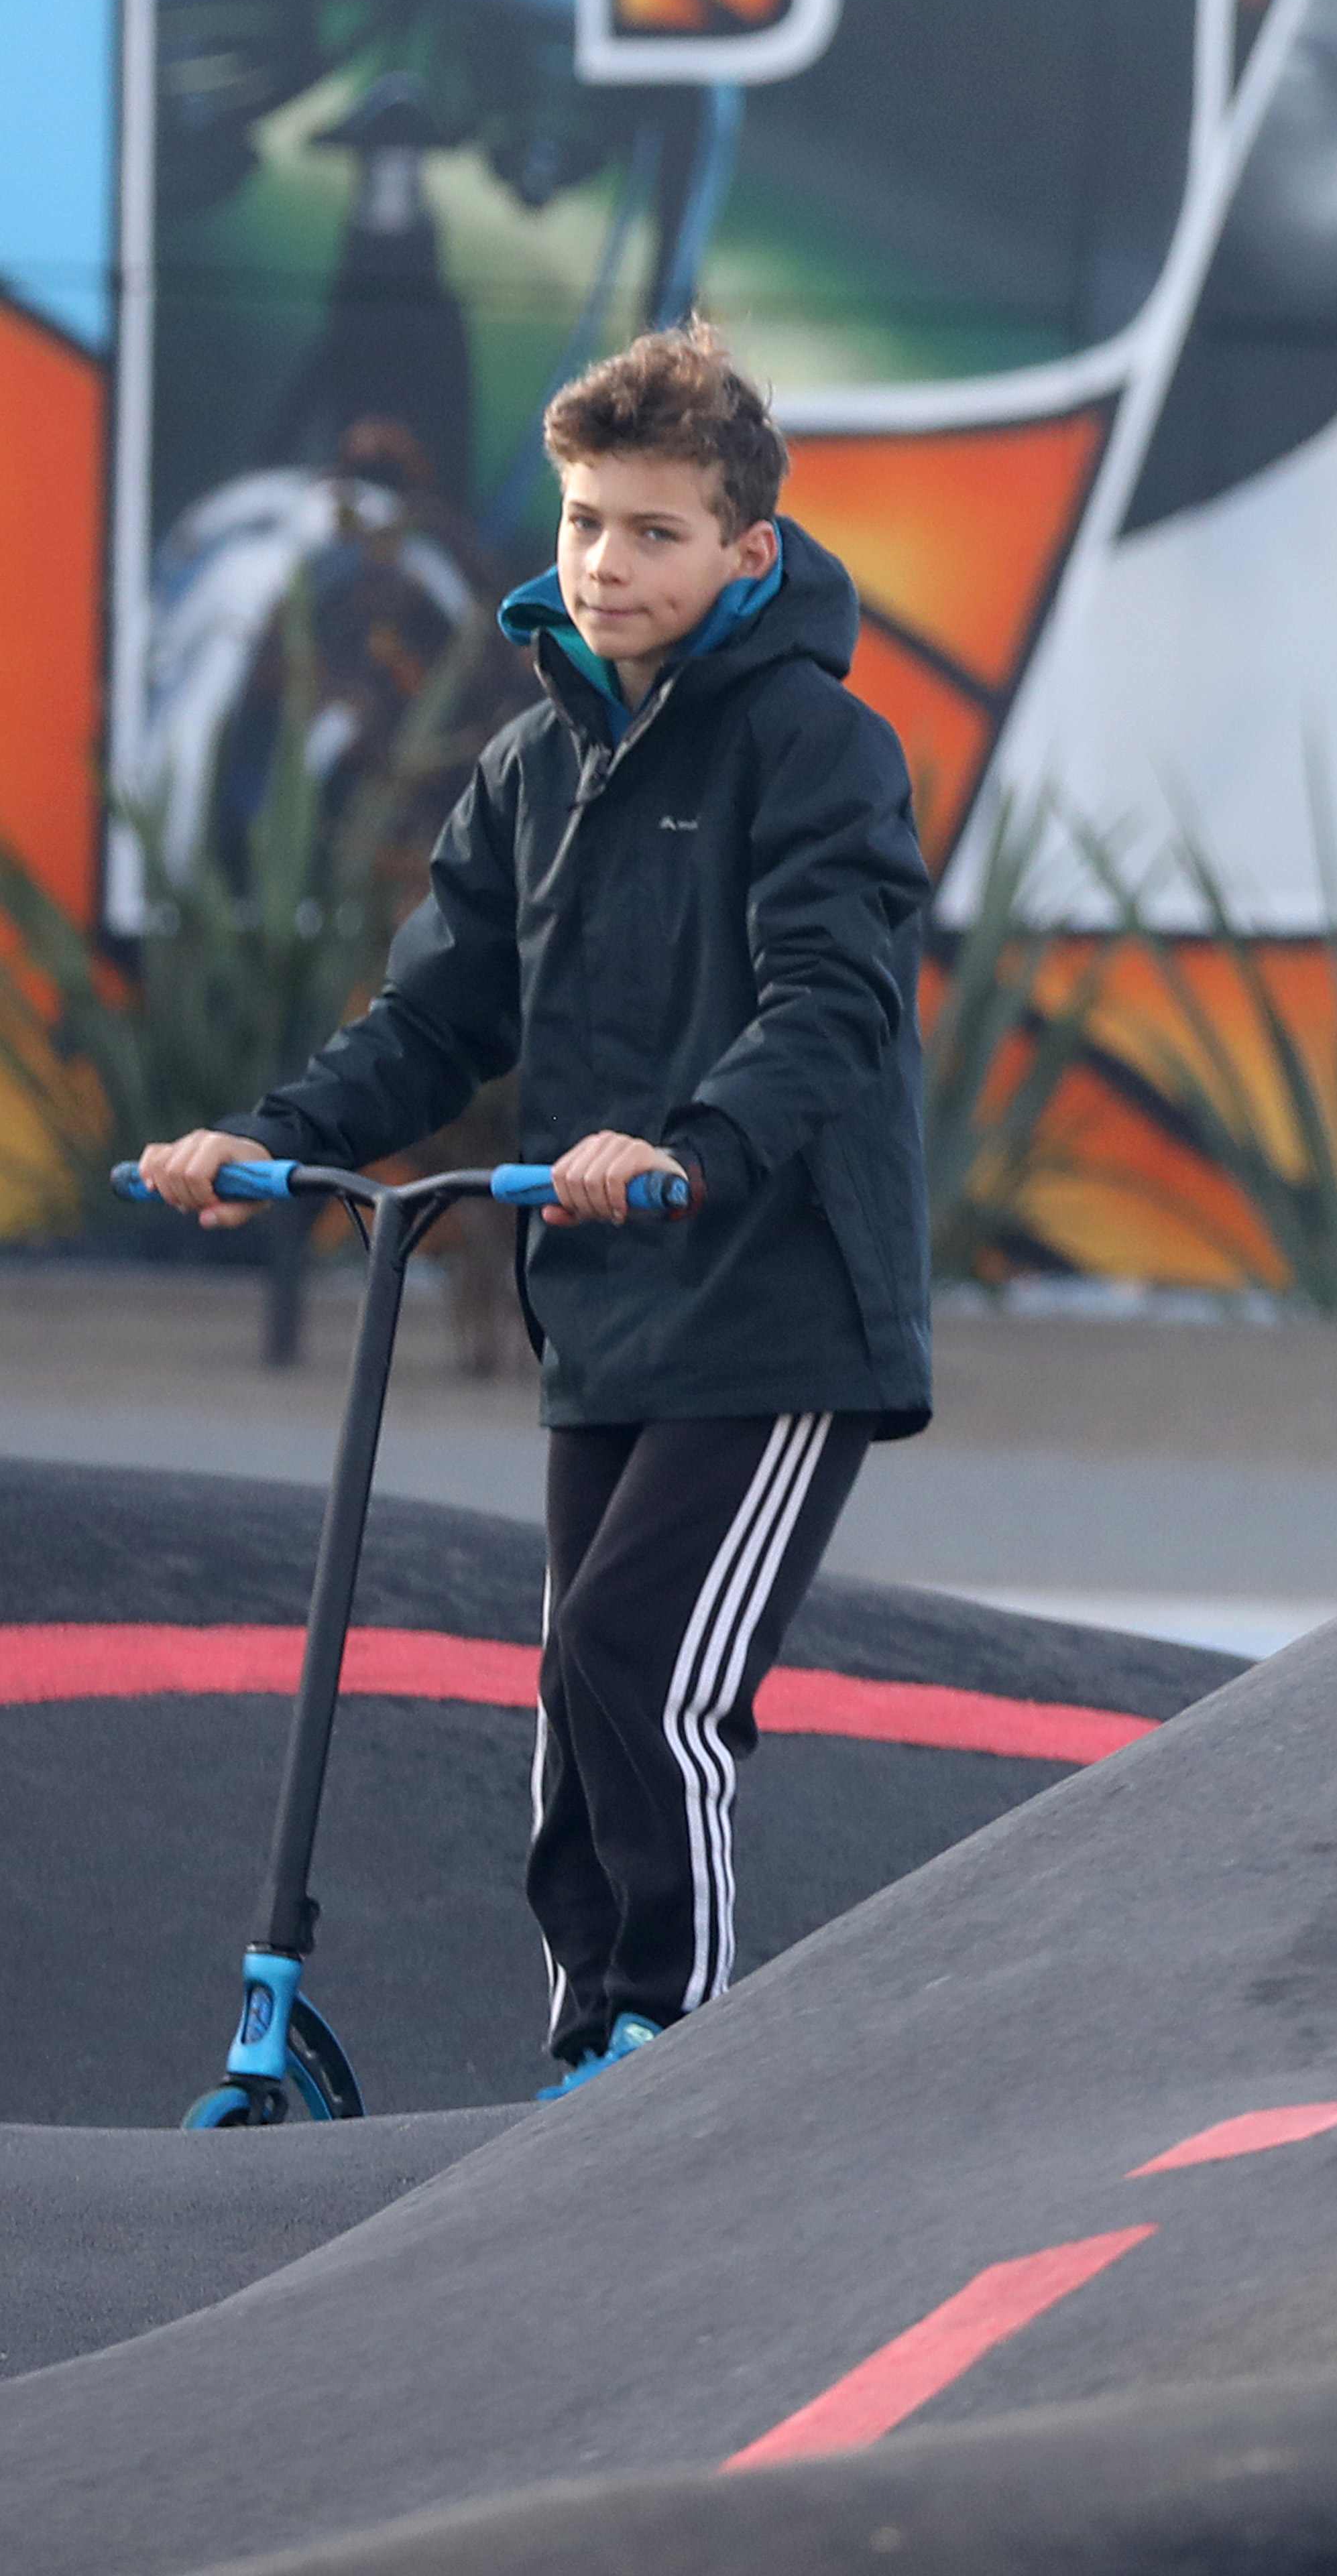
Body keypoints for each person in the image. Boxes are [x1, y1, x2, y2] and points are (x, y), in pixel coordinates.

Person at [142, 320, 935, 2091]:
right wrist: (262, 1139)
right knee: (571, 1703)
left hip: (776, 1297)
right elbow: (437, 1017)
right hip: (616, 1300)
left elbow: (834, 1005)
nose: (605, 564)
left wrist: (694, 1147)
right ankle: (588, 2047)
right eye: (585, 523)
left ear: (748, 553)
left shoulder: (818, 747)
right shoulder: (535, 768)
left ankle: (678, 2047)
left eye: (653, 533)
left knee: (642, 1668)